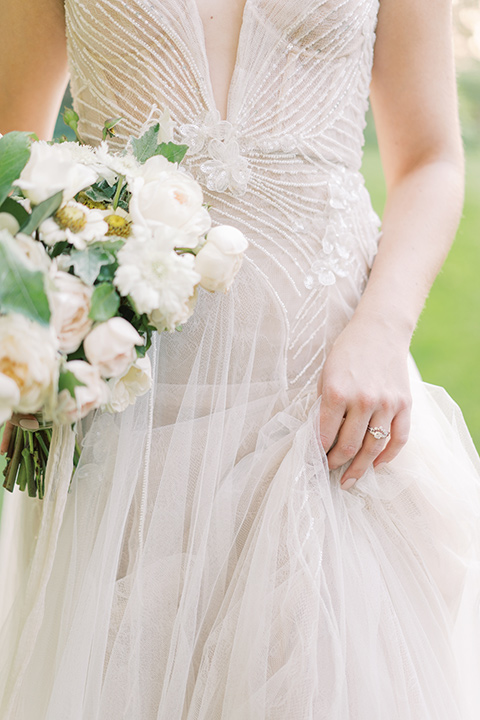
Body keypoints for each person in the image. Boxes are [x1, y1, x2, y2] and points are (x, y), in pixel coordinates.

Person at [1, 0, 480, 717]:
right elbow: (13, 147)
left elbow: (431, 159)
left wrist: (383, 331)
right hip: (125, 400)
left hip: (325, 402)